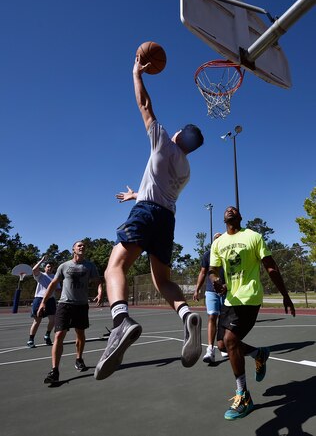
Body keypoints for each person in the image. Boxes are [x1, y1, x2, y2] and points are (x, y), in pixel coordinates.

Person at [94, 54, 204, 381]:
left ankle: (120, 321)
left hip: (146, 212)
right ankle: (186, 316)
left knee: (114, 266)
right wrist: (135, 194)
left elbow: (144, 104)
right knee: (163, 281)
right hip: (167, 219)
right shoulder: (186, 170)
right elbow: (159, 189)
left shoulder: (161, 144)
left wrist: (136, 73)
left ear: (179, 135)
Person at [209, 206, 296, 420]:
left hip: (249, 297)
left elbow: (271, 266)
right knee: (222, 345)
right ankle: (259, 354)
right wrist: (216, 282)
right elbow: (212, 271)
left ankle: (244, 396)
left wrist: (285, 294)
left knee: (230, 340)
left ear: (240, 217)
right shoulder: (218, 243)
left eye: (234, 209)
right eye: (227, 209)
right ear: (224, 218)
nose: (230, 210)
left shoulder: (253, 237)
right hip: (230, 299)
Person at [38, 241, 103, 384]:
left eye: (84, 246)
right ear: (73, 249)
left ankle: (79, 359)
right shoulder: (64, 266)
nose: (82, 247)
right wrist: (43, 302)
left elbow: (98, 281)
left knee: (80, 334)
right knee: (59, 335)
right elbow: (53, 284)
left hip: (81, 305)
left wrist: (100, 292)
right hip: (64, 305)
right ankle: (54, 371)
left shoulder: (90, 266)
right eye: (79, 245)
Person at [193, 233, 227, 363]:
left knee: (224, 320)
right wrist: (197, 289)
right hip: (211, 290)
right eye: (216, 238)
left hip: (226, 291)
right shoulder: (208, 255)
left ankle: (223, 347)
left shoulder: (228, 254)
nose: (219, 240)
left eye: (221, 238)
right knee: (212, 316)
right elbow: (202, 273)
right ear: (213, 242)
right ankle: (210, 349)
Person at [27, 256, 58, 348]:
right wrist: (41, 260)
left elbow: (58, 289)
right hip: (39, 299)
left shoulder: (56, 277)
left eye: (51, 267)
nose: (50, 268)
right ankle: (31, 339)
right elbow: (34, 269)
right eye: (48, 266)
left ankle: (47, 335)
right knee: (37, 321)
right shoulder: (40, 275)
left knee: (53, 320)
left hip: (51, 300)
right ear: (45, 268)